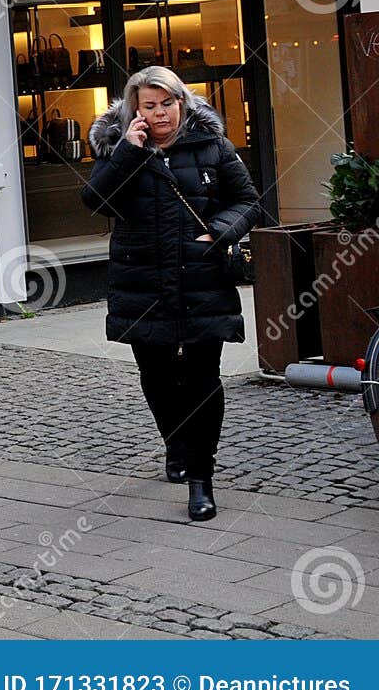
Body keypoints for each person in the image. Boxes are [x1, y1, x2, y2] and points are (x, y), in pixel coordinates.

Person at [82, 67, 259, 522]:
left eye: (166, 103)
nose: (159, 114)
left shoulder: (213, 146)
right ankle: (175, 442)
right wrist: (127, 151)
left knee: (202, 380)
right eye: (148, 106)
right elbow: (96, 201)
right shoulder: (121, 148)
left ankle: (202, 479)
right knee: (157, 376)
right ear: (134, 110)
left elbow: (248, 202)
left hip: (201, 277)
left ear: (182, 101)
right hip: (141, 280)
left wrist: (218, 233)